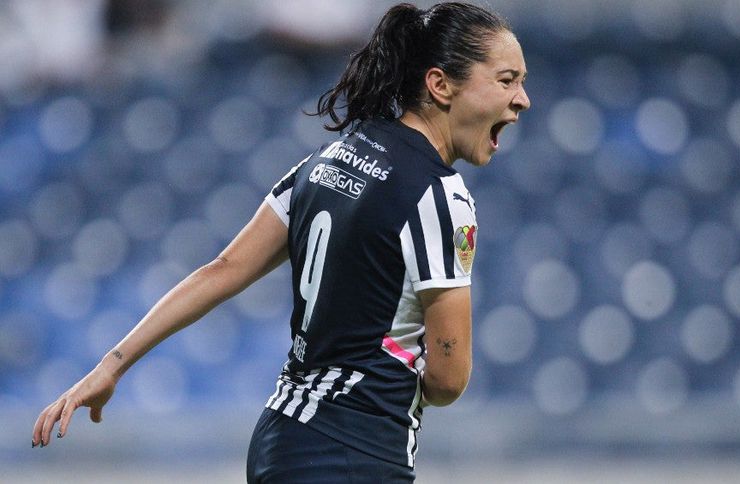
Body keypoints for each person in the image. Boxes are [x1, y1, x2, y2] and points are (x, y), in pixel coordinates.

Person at [32, 1, 530, 482]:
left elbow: (222, 270)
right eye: (506, 80)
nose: (522, 99)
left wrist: (112, 365)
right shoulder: (440, 196)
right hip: (354, 450)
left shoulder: (326, 160)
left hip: (281, 438)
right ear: (440, 84)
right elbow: (448, 379)